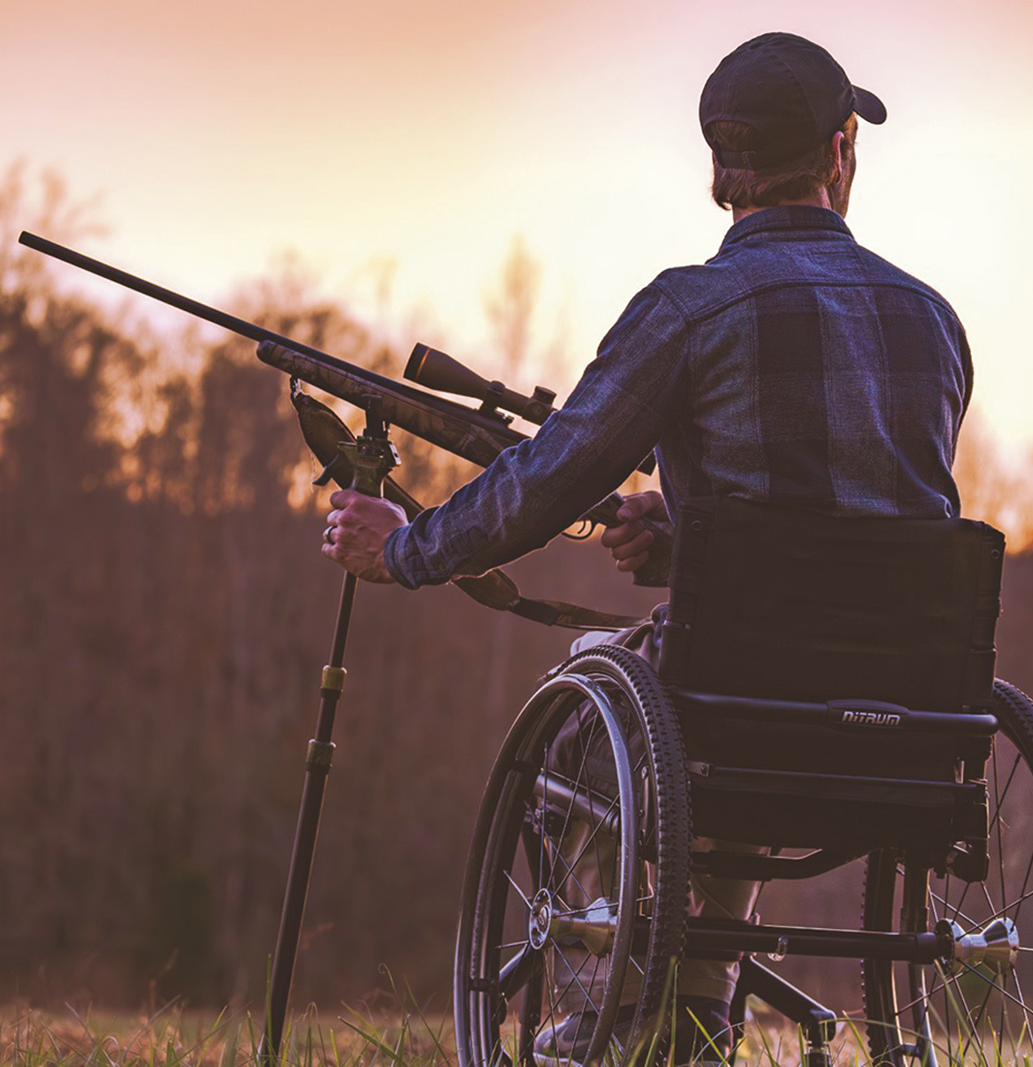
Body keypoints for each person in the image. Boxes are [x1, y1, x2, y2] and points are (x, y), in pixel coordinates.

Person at [321, 30, 972, 1064]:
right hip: (908, 722)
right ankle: (693, 1017)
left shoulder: (687, 309)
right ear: (841, 150)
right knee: (712, 688)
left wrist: (406, 547)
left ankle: (610, 1019)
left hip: (737, 697)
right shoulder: (931, 321)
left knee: (603, 694)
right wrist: (686, 543)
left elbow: (547, 479)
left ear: (721, 169)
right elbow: (868, 527)